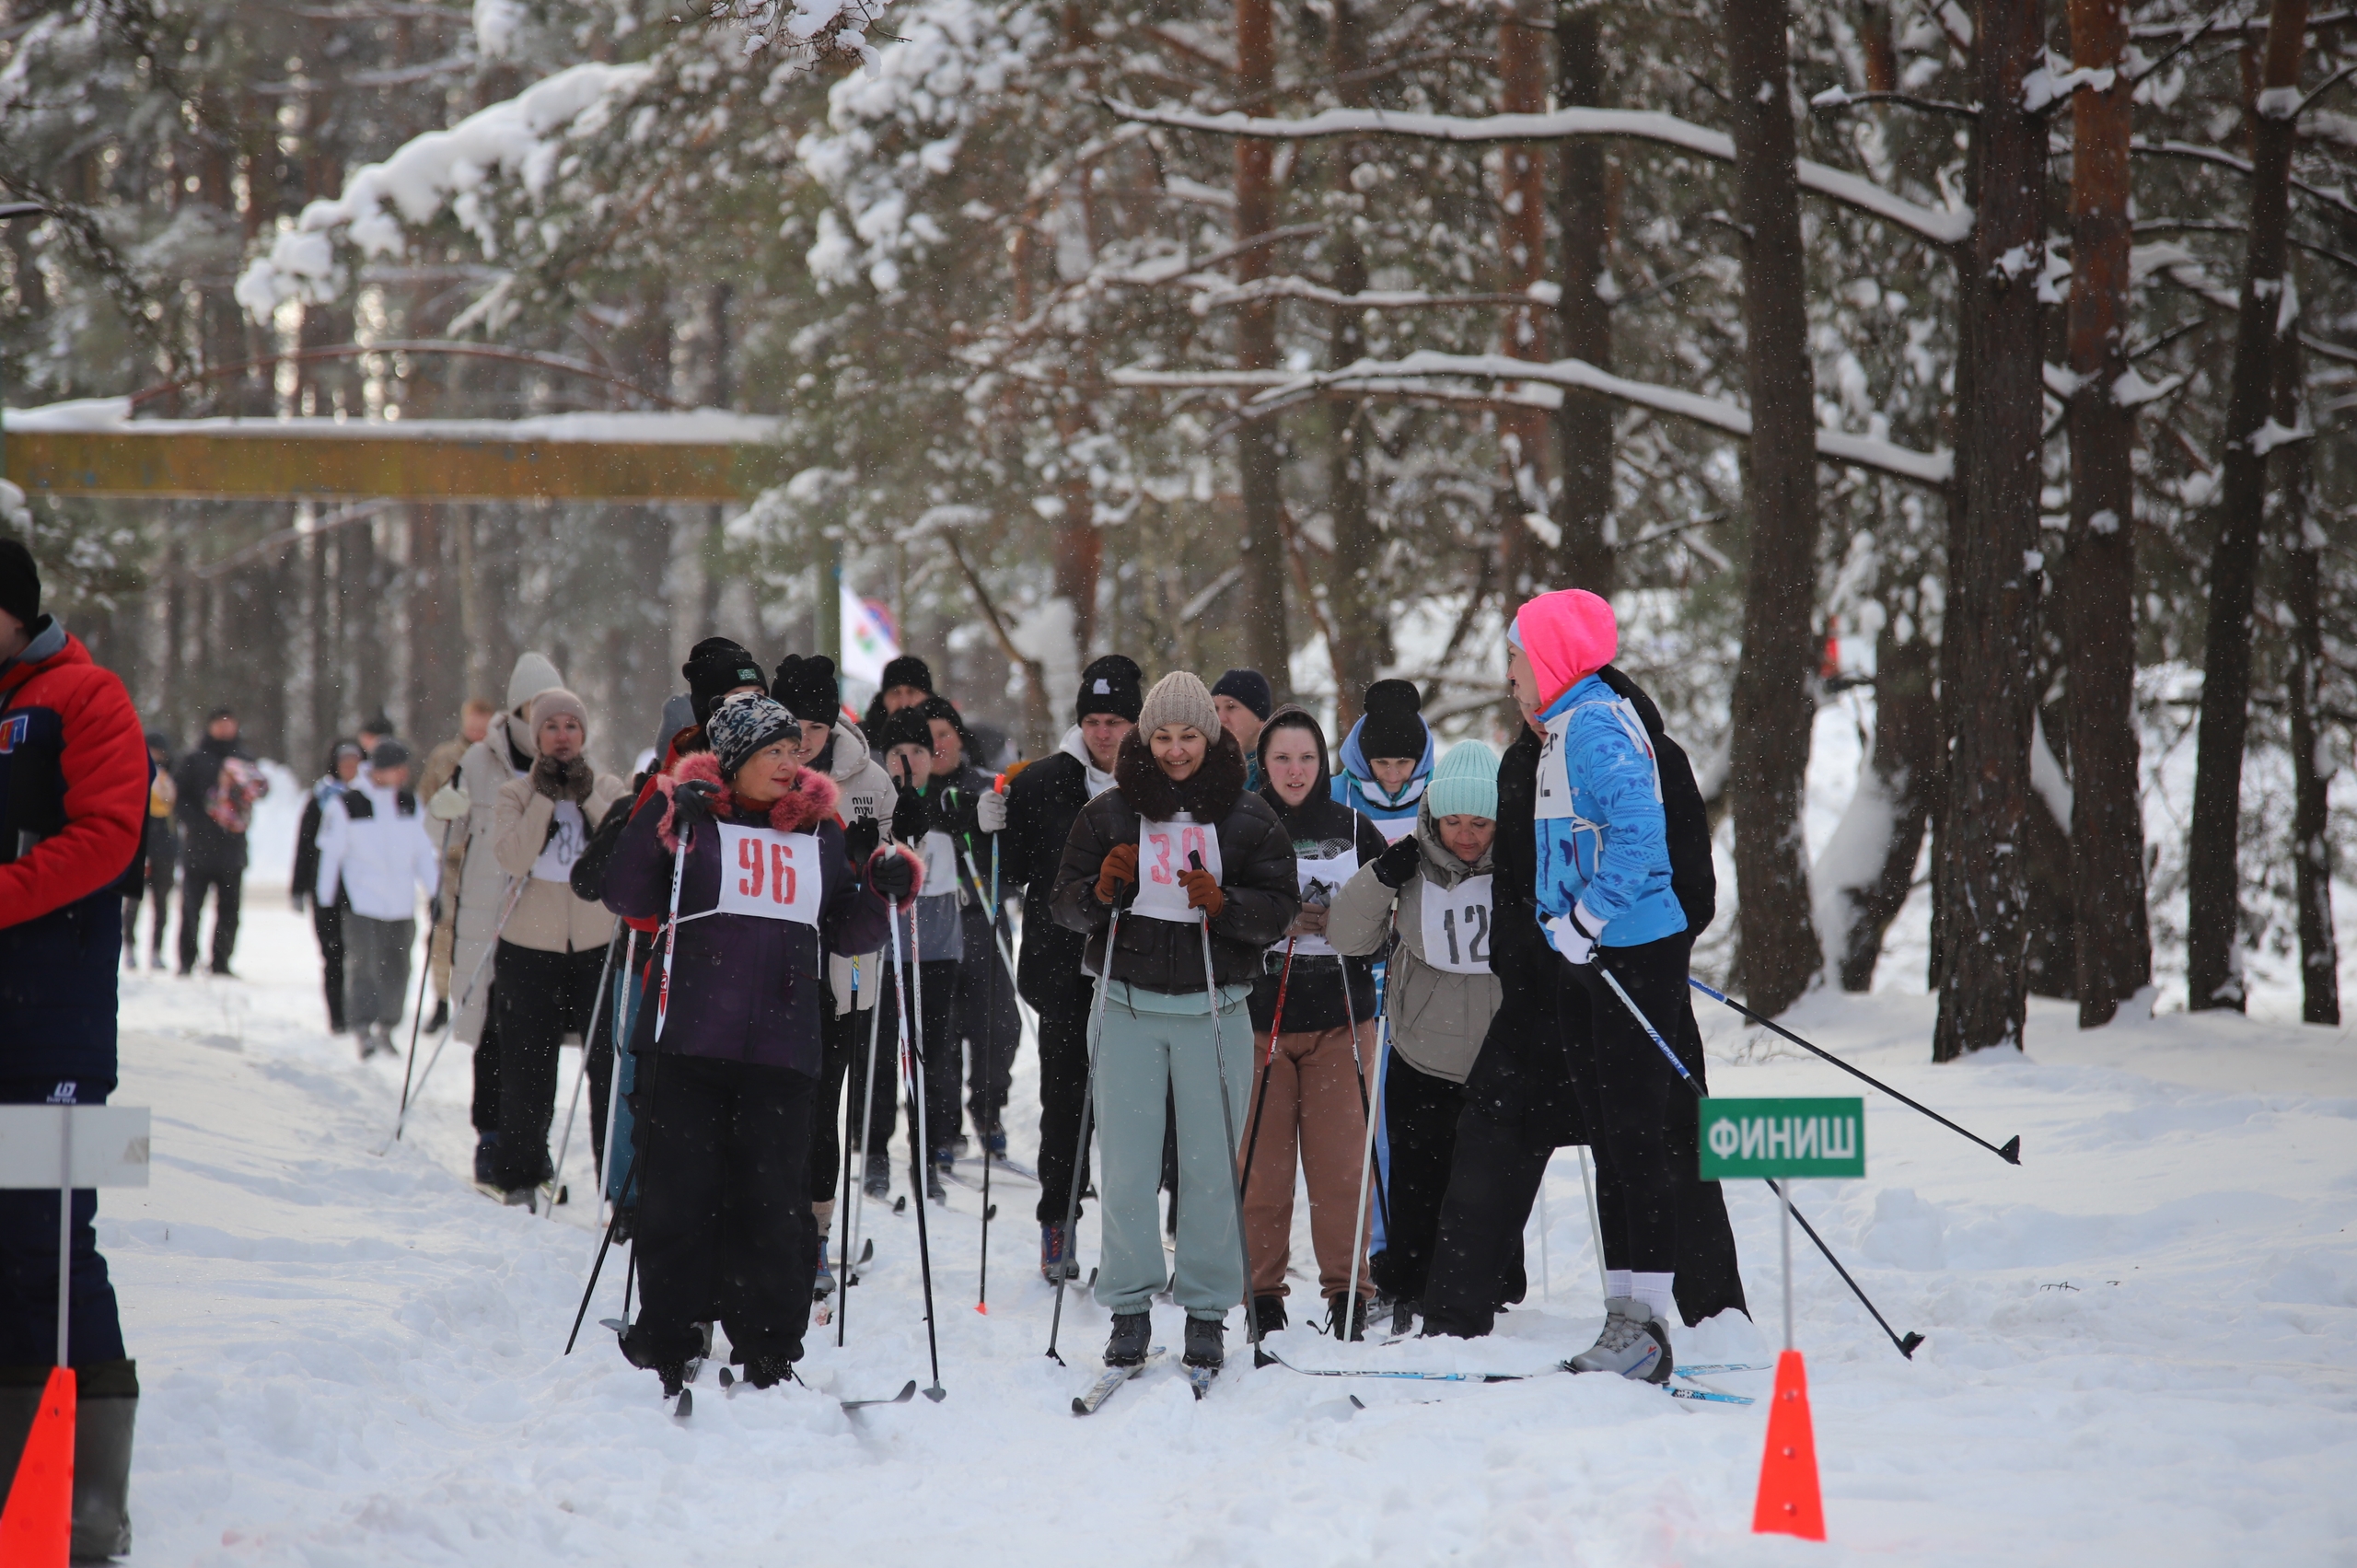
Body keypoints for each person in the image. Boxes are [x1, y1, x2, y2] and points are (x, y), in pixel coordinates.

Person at [600, 693, 897, 1396]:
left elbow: (846, 929)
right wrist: (659, 812)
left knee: (772, 1206)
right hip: (690, 1045)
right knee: (679, 1199)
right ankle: (670, 1336)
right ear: (735, 761)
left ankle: (768, 1347)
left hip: (782, 1051)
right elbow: (624, 892)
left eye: (796, 752)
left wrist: (885, 892)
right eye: (775, 753)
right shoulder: (695, 817)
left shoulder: (819, 833)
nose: (791, 764)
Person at [1050, 671, 1297, 1378]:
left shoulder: (1247, 815)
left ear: (1211, 737)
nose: (1177, 750)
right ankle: (1128, 1310)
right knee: (1126, 1167)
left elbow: (1280, 905)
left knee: (1211, 1167)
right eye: (1163, 736)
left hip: (1213, 1009)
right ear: (1144, 738)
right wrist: (1101, 890)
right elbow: (1065, 905)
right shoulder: (1110, 813)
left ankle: (1207, 1311)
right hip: (1126, 1005)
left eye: (1190, 735)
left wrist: (1226, 904)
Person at [0, 538, 147, 1559]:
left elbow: (108, 835)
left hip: (59, 1027)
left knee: (51, 1246)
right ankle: (17, 1482)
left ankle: (84, 1500)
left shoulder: (86, 696)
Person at [1511, 587, 1699, 1382]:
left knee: (1635, 1138)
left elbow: (1639, 834)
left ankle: (1649, 1323)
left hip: (1627, 951)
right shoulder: (1562, 727)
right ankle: (1625, 1314)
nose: (1512, 677)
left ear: (1551, 659)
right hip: (1588, 955)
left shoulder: (1592, 724)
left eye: (1518, 659)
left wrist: (1586, 920)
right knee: (1612, 1139)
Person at [1329, 739, 1503, 1333]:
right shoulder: (1410, 861)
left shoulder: (1520, 863)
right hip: (1421, 1049)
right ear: (1433, 815)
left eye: (1480, 822)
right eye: (1453, 820)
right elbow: (1347, 936)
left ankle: (1486, 1286)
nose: (1467, 835)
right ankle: (1406, 1283)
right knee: (1417, 1180)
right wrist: (1381, 875)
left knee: (1486, 1183)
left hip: (1497, 1052)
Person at [1236, 705, 1386, 1340]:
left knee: (1342, 1171)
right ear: (1262, 764)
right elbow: (1221, 916)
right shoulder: (1241, 826)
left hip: (1341, 1019)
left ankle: (1349, 1293)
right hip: (1259, 1021)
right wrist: (1274, 921)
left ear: (1323, 762)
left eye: (1306, 758)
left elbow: (1390, 923)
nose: (1295, 771)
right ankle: (1263, 1295)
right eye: (1281, 758)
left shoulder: (1354, 826)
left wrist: (1350, 926)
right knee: (1263, 1172)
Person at [1002, 654, 1140, 1282]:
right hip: (1063, 971)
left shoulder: (1155, 785)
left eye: (1114, 720)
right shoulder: (1040, 783)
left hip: (1141, 968)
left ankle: (1133, 1229)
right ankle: (1058, 1219)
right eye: (1093, 719)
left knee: (1134, 1105)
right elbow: (1011, 873)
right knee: (1065, 1099)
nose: (1103, 732)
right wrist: (985, 827)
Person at [772, 653, 900, 1292]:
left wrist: (877, 860)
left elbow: (892, 858)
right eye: (792, 725)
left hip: (843, 969)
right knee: (774, 1109)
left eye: (815, 727)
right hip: (771, 972)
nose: (803, 740)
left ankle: (817, 1234)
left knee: (824, 1109)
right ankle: (771, 1225)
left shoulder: (868, 777)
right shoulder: (761, 771)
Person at [486, 689, 629, 1205]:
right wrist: (546, 797)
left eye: (572, 726)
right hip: (530, 946)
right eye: (552, 727)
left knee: (608, 1068)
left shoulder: (610, 787)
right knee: (527, 1065)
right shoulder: (514, 794)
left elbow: (619, 852)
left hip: (595, 944)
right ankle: (520, 1173)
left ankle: (616, 1185)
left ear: (584, 734)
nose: (563, 736)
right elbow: (513, 858)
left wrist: (586, 795)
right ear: (536, 735)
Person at [436, 651, 564, 1186]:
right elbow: (442, 829)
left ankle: (533, 1143)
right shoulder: (480, 761)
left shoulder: (568, 759)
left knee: (537, 1038)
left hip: (543, 918)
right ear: (516, 708)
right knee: (491, 1028)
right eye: (535, 707)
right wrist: (446, 812)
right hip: (487, 915)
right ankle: (491, 1136)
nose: (545, 720)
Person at [857, 704, 966, 1200]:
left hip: (938, 945)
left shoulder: (947, 801)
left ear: (931, 754)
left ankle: (926, 1154)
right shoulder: (876, 803)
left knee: (931, 1054)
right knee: (881, 1050)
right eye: (898, 752)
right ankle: (876, 1149)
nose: (908, 761)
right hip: (886, 946)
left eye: (918, 751)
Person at [921, 693, 1017, 1161]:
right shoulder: (909, 795)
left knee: (996, 1028)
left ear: (960, 738)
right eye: (928, 737)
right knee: (942, 1030)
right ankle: (943, 1127)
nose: (938, 745)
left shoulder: (986, 786)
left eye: (945, 734)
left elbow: (1013, 855)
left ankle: (988, 1111)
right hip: (936, 925)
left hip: (983, 920)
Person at [314, 739, 440, 1059]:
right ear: (381, 770)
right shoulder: (348, 804)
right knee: (364, 966)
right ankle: (362, 1026)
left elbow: (423, 853)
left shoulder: (410, 803)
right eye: (398, 767)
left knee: (398, 967)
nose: (404, 773)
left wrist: (435, 891)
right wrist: (325, 899)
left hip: (400, 903)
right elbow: (331, 854)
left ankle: (388, 1025)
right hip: (363, 902)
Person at [172, 705, 267, 976]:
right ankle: (186, 960)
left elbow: (257, 792)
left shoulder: (244, 759)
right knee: (191, 907)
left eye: (230, 723)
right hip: (199, 847)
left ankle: (222, 961)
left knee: (229, 909)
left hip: (232, 847)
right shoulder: (194, 759)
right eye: (220, 723)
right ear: (210, 726)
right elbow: (179, 800)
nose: (225, 728)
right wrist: (200, 823)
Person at [419, 698, 495, 1033]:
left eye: (484, 725)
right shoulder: (445, 757)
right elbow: (427, 800)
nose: (478, 732)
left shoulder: (498, 758)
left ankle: (479, 998)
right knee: (443, 931)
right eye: (473, 724)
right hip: (451, 863)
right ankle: (440, 999)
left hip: (487, 861)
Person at [291, 738, 365, 1032]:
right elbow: (305, 846)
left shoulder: (369, 799)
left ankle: (360, 1013)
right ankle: (337, 1016)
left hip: (359, 889)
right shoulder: (319, 799)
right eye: (344, 762)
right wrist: (298, 887)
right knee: (333, 955)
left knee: (359, 956)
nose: (349, 768)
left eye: (355, 762)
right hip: (325, 890)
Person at [1331, 679, 1434, 845]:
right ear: (1364, 760)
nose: (1392, 776)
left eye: (1403, 762)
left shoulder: (1439, 796)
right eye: (1381, 762)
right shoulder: (1334, 796)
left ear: (1420, 760)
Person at [121, 731, 179, 971]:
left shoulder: (173, 776)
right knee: (134, 900)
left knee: (162, 902)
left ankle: (156, 949)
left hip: (165, 845)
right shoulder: (133, 770)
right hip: (141, 844)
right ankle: (130, 947)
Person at [1211, 668, 1272, 793]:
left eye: (1231, 707)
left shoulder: (1280, 776)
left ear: (1261, 720)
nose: (1220, 718)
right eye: (1215, 708)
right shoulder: (1202, 772)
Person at [859, 653, 935, 744]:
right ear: (883, 699)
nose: (904, 703)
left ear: (928, 697)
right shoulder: (859, 741)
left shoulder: (943, 740)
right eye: (895, 693)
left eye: (912, 692)